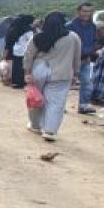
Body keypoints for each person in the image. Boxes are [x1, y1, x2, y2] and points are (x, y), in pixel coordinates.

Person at [24, 12, 81, 141]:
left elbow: (28, 55)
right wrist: (76, 72)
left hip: (39, 70)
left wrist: (27, 72)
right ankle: (49, 131)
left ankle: (35, 125)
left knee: (36, 99)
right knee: (56, 102)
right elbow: (77, 57)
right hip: (61, 72)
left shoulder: (38, 37)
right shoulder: (73, 37)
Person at [68, 2, 98, 114]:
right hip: (70, 60)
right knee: (66, 83)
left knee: (86, 82)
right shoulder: (70, 26)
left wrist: (92, 52)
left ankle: (83, 105)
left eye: (89, 11)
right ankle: (60, 106)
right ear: (78, 11)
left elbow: (94, 41)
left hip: (85, 59)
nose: (87, 14)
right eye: (84, 11)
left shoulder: (93, 27)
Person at [3, 14, 35, 89]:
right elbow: (31, 40)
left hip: (16, 49)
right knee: (23, 67)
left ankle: (15, 82)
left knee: (16, 66)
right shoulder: (28, 29)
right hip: (24, 50)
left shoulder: (16, 27)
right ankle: (22, 83)